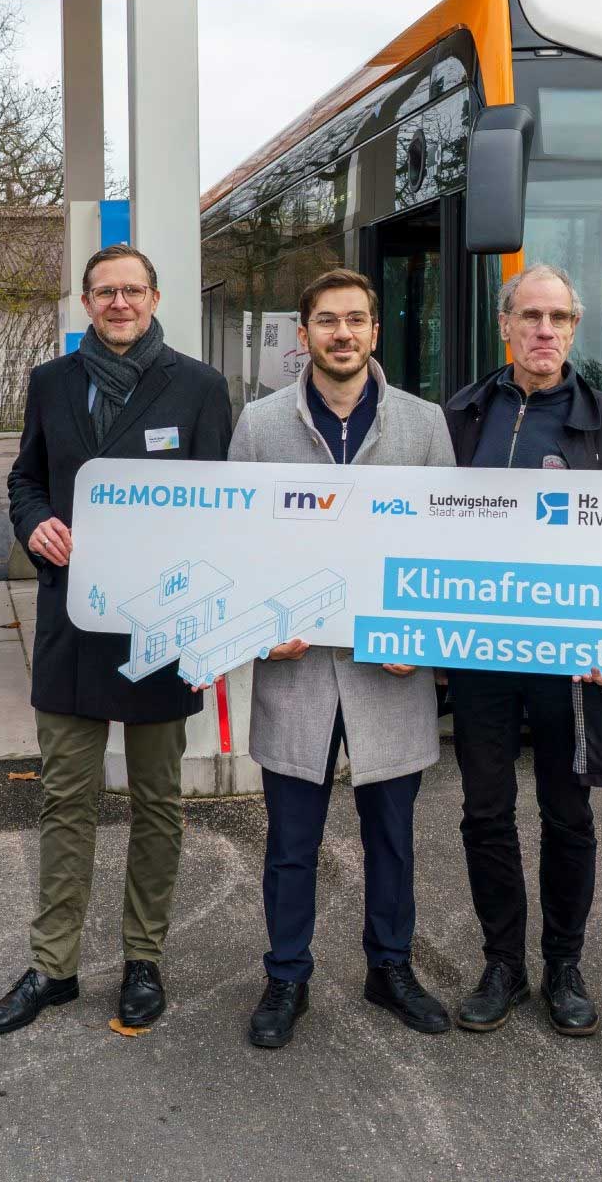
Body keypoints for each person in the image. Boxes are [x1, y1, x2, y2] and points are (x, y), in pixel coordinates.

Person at [0, 242, 234, 1037]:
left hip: (161, 624)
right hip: (73, 622)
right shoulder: (51, 382)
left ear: (154, 297)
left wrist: (210, 615)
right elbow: (26, 477)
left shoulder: (199, 387)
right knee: (66, 799)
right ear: (86, 302)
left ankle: (143, 958)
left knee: (157, 801)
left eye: (132, 290)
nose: (119, 302)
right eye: (104, 291)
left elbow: (221, 507)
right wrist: (34, 523)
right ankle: (52, 965)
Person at [228, 269, 459, 1049]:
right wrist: (261, 625)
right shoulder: (260, 425)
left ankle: (389, 967)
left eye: (356, 319)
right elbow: (236, 545)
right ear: (304, 335)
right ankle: (286, 975)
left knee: (391, 836)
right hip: (297, 669)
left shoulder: (423, 424)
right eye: (327, 320)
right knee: (291, 842)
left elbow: (447, 547)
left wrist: (420, 635)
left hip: (387, 670)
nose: (343, 333)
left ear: (374, 332)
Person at [441, 264, 602, 1036]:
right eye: (530, 315)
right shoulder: (460, 416)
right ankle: (502, 963)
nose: (544, 329)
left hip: (574, 657)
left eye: (559, 317)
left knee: (568, 813)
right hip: (481, 650)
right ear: (504, 324)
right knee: (484, 810)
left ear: (574, 328)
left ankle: (564, 964)